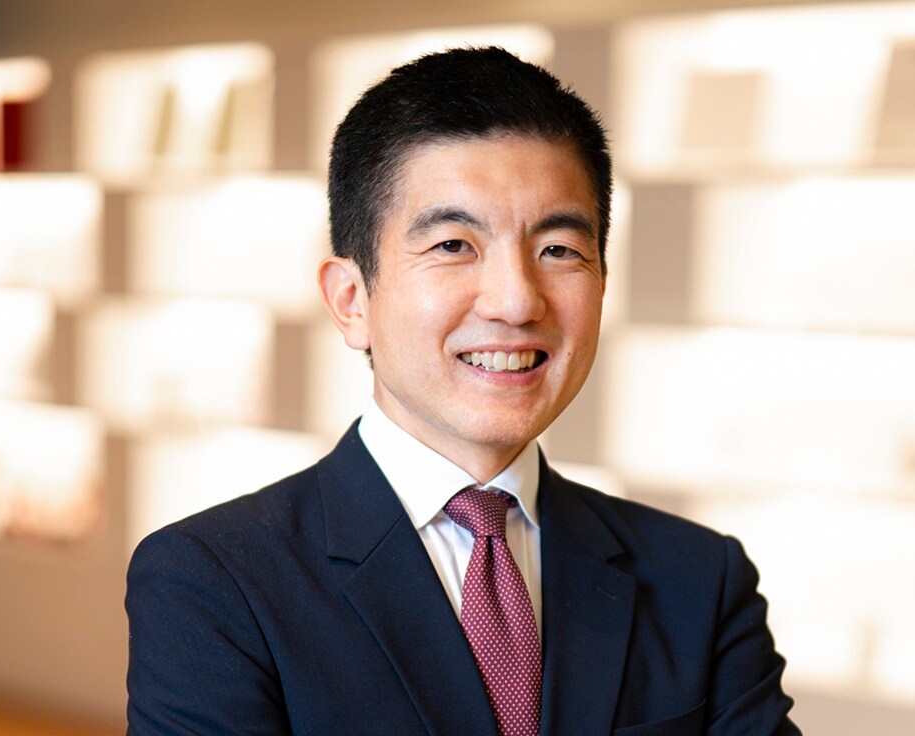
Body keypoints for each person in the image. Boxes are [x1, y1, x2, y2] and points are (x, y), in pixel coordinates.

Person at [125, 47, 800, 736]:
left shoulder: (700, 579)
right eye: (453, 245)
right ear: (351, 300)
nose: (515, 301)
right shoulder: (213, 582)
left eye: (559, 250)